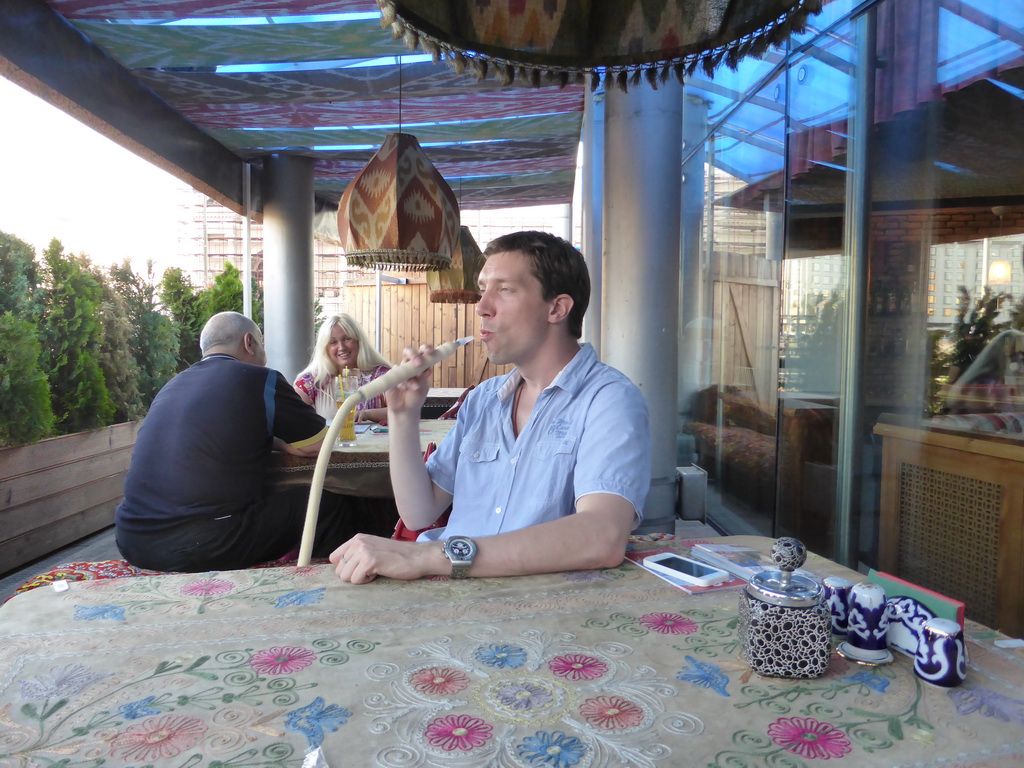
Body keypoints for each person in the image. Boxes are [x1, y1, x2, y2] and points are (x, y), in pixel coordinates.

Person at [330, 231, 651, 584]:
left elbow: (601, 537)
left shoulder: (608, 399)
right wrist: (403, 415)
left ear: (556, 308)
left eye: (504, 289)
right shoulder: (484, 399)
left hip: (530, 607)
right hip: (450, 592)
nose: (482, 306)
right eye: (483, 289)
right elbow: (420, 512)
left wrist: (427, 556)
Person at [115, 311, 388, 572]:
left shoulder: (172, 384)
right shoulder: (260, 379)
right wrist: (279, 443)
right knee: (326, 502)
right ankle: (324, 584)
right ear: (249, 342)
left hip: (132, 540)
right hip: (206, 541)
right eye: (261, 345)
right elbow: (317, 445)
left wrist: (269, 441)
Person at [293, 313, 392, 424]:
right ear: (325, 348)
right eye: (333, 342)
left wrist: (367, 414)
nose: (341, 347)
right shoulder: (313, 379)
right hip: (329, 442)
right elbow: (291, 414)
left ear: (359, 341)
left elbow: (405, 409)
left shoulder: (383, 375)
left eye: (347, 339)